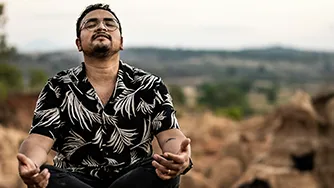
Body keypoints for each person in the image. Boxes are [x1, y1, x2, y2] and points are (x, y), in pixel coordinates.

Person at [17, 3, 193, 188]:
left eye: (109, 23)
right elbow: (38, 140)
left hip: (133, 180)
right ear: (78, 43)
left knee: (162, 169)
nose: (101, 27)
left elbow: (171, 135)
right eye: (91, 24)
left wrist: (179, 157)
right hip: (76, 181)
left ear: (121, 42)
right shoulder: (58, 87)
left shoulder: (149, 85)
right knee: (47, 175)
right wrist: (31, 165)